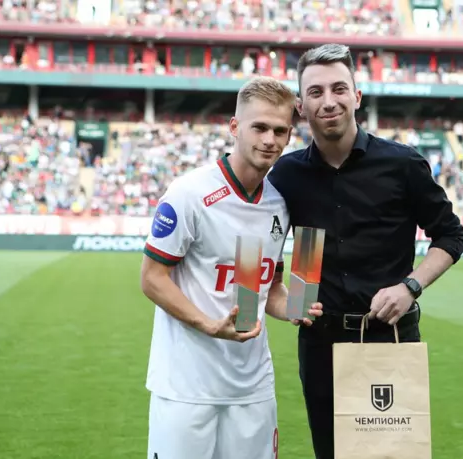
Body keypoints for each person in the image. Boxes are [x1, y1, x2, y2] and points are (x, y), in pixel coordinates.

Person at [267, 44, 463, 459]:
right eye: (316, 92)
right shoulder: (286, 174)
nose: (329, 101)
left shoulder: (403, 164)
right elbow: (263, 243)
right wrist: (287, 299)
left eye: (339, 88)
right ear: (301, 107)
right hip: (320, 343)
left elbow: (450, 236)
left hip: (388, 336)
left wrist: (410, 286)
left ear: (357, 96)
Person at [139, 76, 323, 459]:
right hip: (186, 388)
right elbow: (152, 278)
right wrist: (209, 325)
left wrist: (295, 307)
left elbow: (267, 289)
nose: (269, 140)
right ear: (235, 127)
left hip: (252, 389)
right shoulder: (189, 193)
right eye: (259, 127)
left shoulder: (279, 204)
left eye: (279, 131)